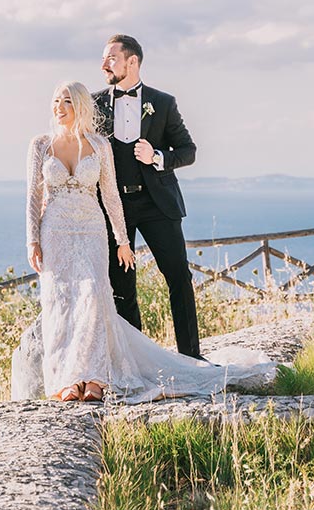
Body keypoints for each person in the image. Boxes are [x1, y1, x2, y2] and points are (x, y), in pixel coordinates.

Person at [18, 80, 271, 403]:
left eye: (66, 101)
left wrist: (122, 240)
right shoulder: (40, 145)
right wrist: (32, 241)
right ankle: (67, 378)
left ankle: (95, 377)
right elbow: (33, 196)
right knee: (60, 300)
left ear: (80, 106)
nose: (59, 107)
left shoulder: (98, 145)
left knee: (94, 298)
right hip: (55, 231)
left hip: (92, 230)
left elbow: (110, 196)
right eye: (55, 101)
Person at [93, 34, 202, 358]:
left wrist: (157, 156)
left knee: (178, 277)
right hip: (115, 207)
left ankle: (191, 356)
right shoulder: (96, 102)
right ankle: (135, 360)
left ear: (132, 61)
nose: (104, 65)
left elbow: (188, 151)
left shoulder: (163, 102)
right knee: (122, 286)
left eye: (111, 58)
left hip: (158, 204)